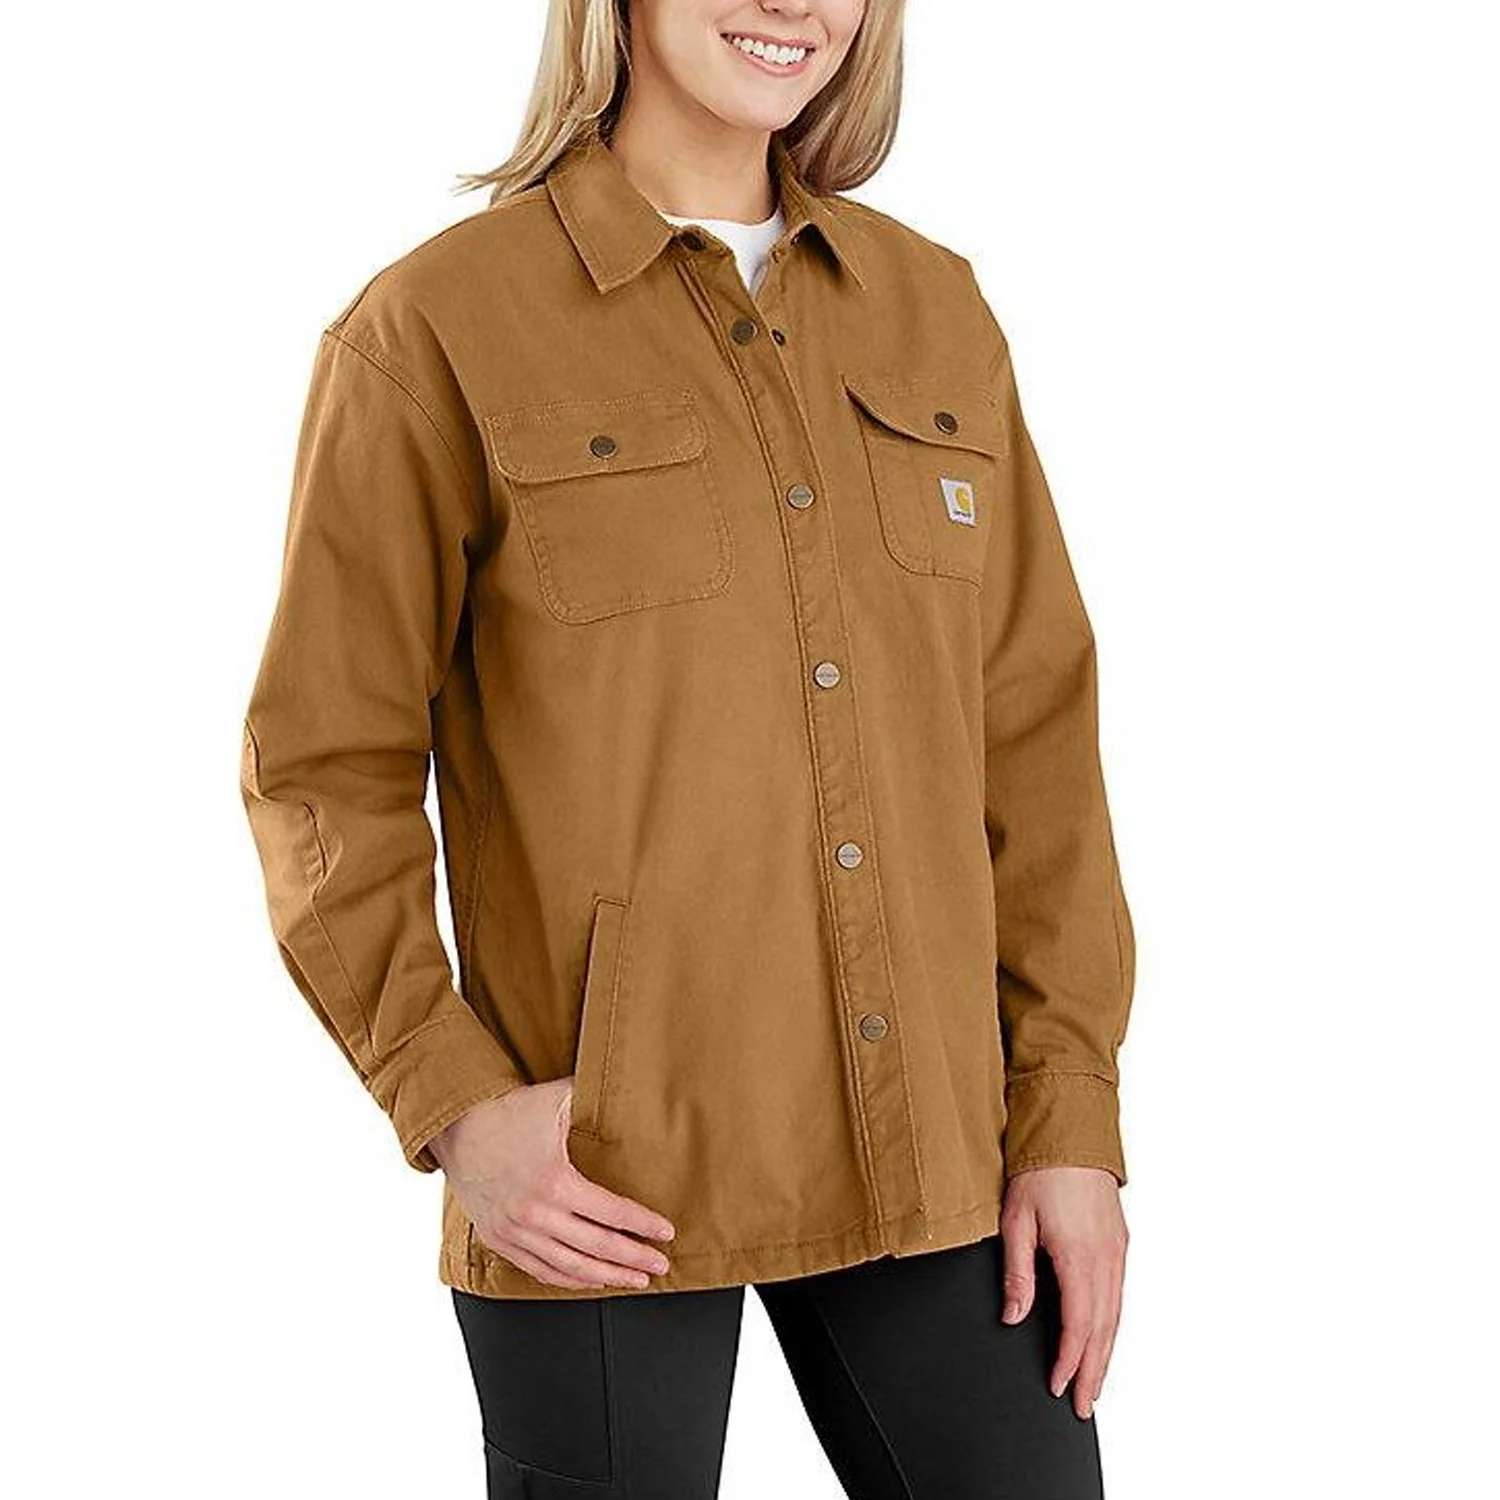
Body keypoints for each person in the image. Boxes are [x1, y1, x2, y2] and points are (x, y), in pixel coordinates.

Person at [237, 1, 1136, 1494]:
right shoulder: (435, 327)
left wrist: (1073, 1119)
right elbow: (322, 762)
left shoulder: (936, 310)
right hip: (597, 1175)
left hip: (943, 1150)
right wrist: (451, 1101)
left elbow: (1033, 739)